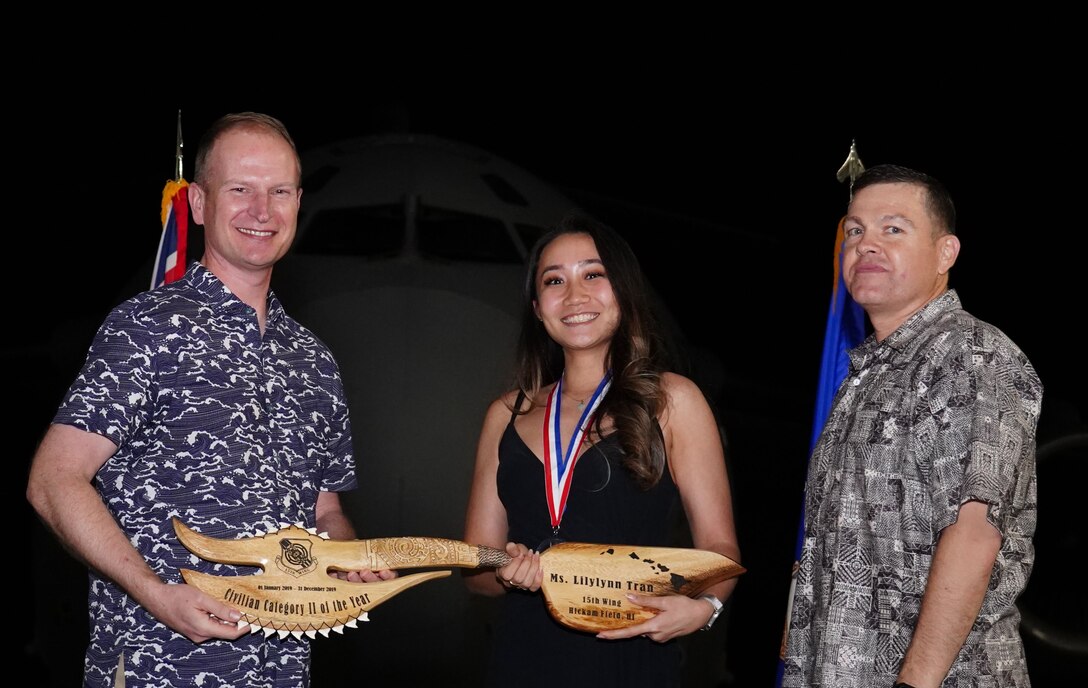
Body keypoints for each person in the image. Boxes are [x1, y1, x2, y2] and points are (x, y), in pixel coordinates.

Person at [26, 112, 392, 687]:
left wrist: (343, 556)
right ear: (198, 203)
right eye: (239, 189)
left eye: (278, 191)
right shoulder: (147, 327)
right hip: (158, 664)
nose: (261, 211)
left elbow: (325, 511)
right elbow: (53, 480)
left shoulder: (315, 361)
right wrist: (155, 595)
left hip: (282, 670)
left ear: (298, 201)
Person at [782, 164, 1043, 687]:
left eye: (892, 229)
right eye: (855, 231)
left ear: (946, 253)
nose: (865, 245)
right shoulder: (866, 373)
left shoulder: (970, 355)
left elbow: (974, 533)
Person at [462, 212, 741, 687]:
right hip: (521, 661)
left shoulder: (673, 401)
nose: (574, 295)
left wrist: (704, 608)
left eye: (594, 274)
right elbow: (475, 569)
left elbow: (719, 545)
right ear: (536, 306)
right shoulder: (505, 414)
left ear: (625, 291)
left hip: (630, 660)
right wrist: (506, 571)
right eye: (555, 280)